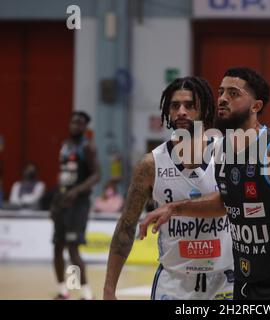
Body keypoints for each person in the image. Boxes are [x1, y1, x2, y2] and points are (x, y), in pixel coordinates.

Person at [139, 67, 270, 300]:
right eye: (221, 92)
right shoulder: (224, 148)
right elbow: (228, 200)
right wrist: (174, 208)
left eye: (233, 93)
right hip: (244, 282)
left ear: (256, 106)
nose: (223, 99)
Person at [103, 77, 234, 300]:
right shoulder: (150, 165)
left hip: (225, 281)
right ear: (167, 111)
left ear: (204, 110)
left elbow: (231, 204)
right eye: (175, 106)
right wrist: (109, 289)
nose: (181, 111)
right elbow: (126, 226)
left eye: (190, 105)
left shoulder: (227, 153)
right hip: (174, 284)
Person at [51, 111, 100, 300]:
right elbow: (63, 176)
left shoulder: (87, 147)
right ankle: (64, 290)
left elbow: (96, 175)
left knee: (73, 249)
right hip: (61, 202)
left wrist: (76, 191)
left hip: (78, 204)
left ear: (85, 127)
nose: (74, 125)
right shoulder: (65, 145)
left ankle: (86, 293)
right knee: (57, 246)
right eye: (72, 121)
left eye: (79, 123)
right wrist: (56, 201)